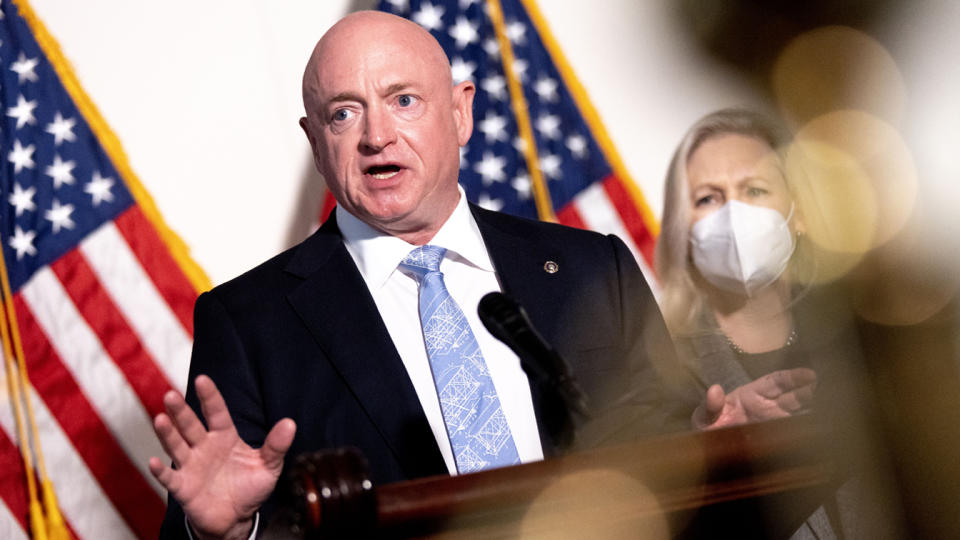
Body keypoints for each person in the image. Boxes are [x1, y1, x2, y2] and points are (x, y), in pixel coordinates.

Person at [150, 11, 675, 540]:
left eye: (403, 100)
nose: (377, 137)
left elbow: (681, 457)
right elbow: (203, 521)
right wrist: (230, 532)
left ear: (460, 112)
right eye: (343, 114)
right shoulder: (249, 324)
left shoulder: (592, 267)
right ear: (314, 141)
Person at [656, 108, 905, 538]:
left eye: (754, 189)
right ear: (683, 231)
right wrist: (705, 459)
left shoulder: (862, 339)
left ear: (800, 213)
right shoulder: (657, 368)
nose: (733, 216)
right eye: (707, 198)